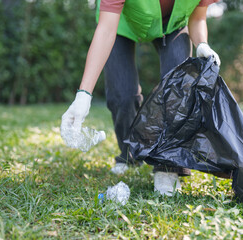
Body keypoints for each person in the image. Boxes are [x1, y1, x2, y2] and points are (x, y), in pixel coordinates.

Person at [61, 0, 221, 196]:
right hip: (121, 25)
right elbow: (105, 30)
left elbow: (198, 16)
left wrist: (202, 43)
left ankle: (167, 166)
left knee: (178, 87)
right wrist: (83, 96)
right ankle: (129, 156)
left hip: (173, 26)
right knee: (123, 96)